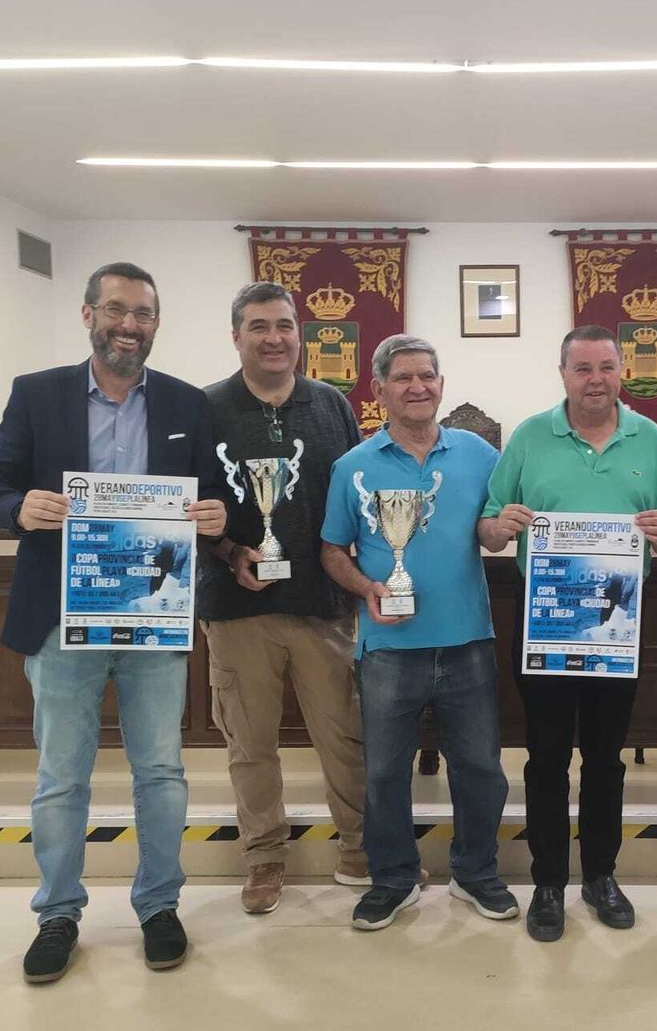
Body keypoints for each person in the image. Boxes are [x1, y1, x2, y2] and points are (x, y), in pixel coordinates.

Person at [0, 261, 227, 984]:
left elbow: (212, 497)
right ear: (88, 314)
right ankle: (57, 912)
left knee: (161, 769)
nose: (129, 324)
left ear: (156, 324)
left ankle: (158, 905)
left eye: (143, 313)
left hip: (153, 616)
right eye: (116, 309)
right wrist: (16, 507)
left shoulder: (187, 402)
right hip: (61, 615)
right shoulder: (37, 393)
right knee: (61, 776)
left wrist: (216, 517)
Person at [479, 325, 657, 942]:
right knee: (544, 758)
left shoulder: (649, 438)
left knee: (605, 758)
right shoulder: (529, 438)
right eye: (582, 368)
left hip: (617, 629)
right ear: (562, 373)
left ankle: (600, 874)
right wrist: (502, 525)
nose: (595, 379)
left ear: (622, 371)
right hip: (545, 624)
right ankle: (547, 882)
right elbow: (489, 527)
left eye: (606, 367)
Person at [320, 334, 516, 930]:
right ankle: (393, 879)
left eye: (427, 376)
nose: (417, 387)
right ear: (378, 389)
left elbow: (494, 526)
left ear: (441, 384)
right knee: (382, 772)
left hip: (468, 641)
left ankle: (476, 873)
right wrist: (367, 588)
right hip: (387, 646)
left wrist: (503, 528)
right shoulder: (352, 466)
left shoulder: (482, 457)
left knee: (480, 766)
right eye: (402, 377)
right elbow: (331, 549)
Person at [200, 281, 367, 915]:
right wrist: (230, 553)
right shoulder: (206, 408)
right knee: (250, 743)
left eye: (285, 326)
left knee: (345, 736)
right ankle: (264, 857)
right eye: (259, 326)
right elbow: (192, 509)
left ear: (300, 334)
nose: (274, 338)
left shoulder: (332, 405)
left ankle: (358, 846)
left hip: (324, 604)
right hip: (238, 607)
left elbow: (353, 497)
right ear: (237, 335)